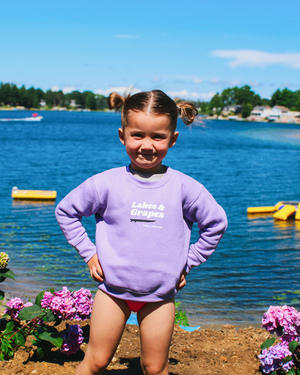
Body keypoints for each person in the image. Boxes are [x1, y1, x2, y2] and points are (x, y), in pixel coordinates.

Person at [55, 90, 227, 375]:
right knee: (95, 361)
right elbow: (66, 212)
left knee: (154, 367)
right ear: (122, 136)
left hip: (160, 297)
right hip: (112, 291)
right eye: (137, 135)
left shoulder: (185, 188)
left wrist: (188, 260)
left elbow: (216, 224)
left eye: (158, 137)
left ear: (173, 139)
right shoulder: (104, 183)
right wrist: (88, 253)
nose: (147, 145)